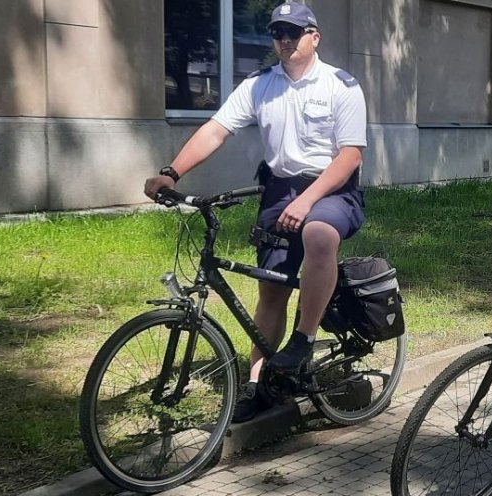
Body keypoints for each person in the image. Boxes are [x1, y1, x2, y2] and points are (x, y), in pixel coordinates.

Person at [144, 1, 368, 423]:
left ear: (313, 37)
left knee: (318, 235)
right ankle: (258, 383)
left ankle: (303, 339)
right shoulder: (260, 84)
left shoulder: (341, 85)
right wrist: (171, 172)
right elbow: (216, 129)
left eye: (293, 33)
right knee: (271, 290)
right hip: (279, 190)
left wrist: (307, 201)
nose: (284, 41)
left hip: (333, 188)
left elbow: (350, 156)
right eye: (277, 34)